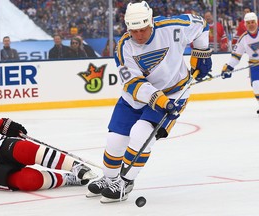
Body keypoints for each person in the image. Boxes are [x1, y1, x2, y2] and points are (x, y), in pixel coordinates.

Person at [86, 1, 212, 203]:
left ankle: (125, 182)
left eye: (143, 29)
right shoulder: (124, 46)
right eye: (134, 31)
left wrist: (201, 53)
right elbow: (133, 83)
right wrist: (157, 99)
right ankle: (109, 179)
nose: (139, 35)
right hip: (136, 98)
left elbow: (201, 23)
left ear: (151, 22)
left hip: (173, 93)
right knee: (115, 141)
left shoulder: (173, 28)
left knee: (140, 135)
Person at [0, 112, 97, 191]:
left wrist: (6, 126)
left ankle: (75, 166)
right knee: (29, 181)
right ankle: (65, 179)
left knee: (26, 150)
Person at [221, 12, 259, 115]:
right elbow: (236, 56)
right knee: (256, 87)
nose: (251, 24)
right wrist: (229, 67)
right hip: (255, 65)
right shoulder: (243, 38)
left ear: (257, 22)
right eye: (248, 23)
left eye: (253, 22)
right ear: (245, 25)